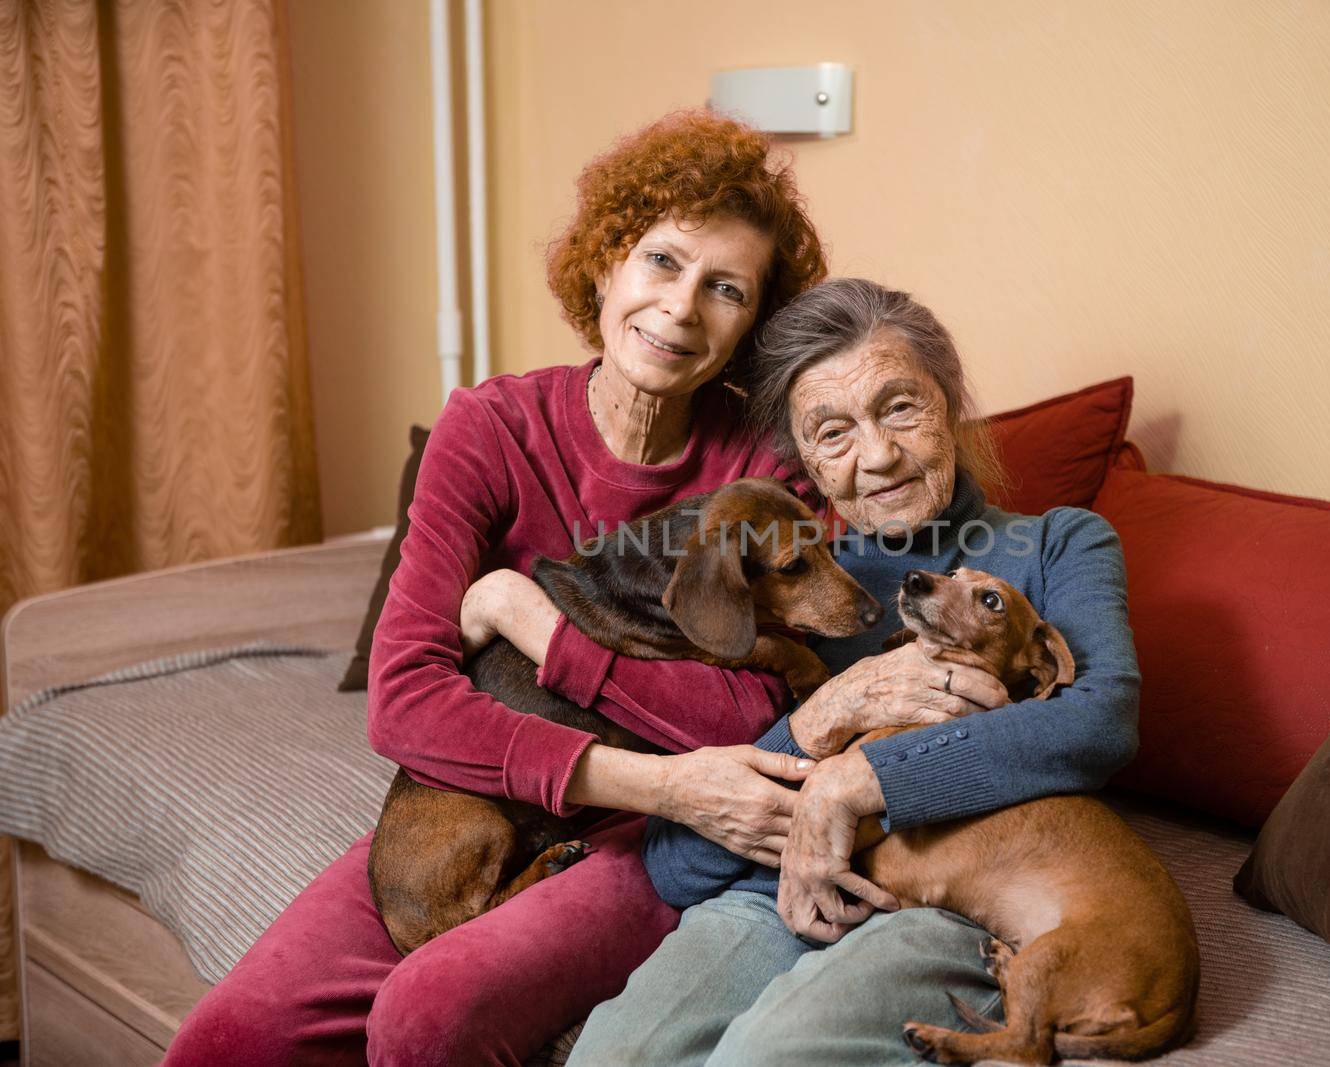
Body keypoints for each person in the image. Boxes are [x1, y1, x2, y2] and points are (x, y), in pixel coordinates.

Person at [164, 110, 828, 1067]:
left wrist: (537, 624)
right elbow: (405, 704)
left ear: (753, 320)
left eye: (726, 288)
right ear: (605, 264)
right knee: (225, 1044)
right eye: (661, 261)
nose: (682, 308)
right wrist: (664, 774)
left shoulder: (762, 464)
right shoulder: (489, 428)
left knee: (429, 1017)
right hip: (498, 799)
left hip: (646, 845)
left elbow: (759, 701)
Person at [567, 278, 1143, 1066]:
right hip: (772, 892)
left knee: (767, 1057)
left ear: (949, 400)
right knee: (613, 1056)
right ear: (802, 457)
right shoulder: (785, 579)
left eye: (901, 407)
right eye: (831, 432)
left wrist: (856, 778)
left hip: (964, 897)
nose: (876, 456)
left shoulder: (1057, 544)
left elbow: (1099, 719)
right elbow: (678, 861)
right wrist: (824, 711)